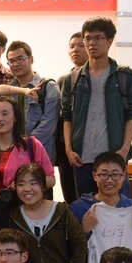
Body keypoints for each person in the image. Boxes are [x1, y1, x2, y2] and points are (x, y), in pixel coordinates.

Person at [62, 17, 132, 198]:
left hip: (114, 159)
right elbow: (67, 115)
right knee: (86, 211)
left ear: (109, 41)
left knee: (119, 209)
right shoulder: (72, 79)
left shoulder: (125, 76)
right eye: (88, 38)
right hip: (82, 160)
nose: (92, 43)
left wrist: (124, 150)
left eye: (98, 38)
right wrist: (69, 150)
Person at [10, 163, 88, 263]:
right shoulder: (14, 217)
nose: (27, 189)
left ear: (43, 186)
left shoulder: (61, 211)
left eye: (33, 183)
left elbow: (80, 246)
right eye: (21, 184)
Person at [0, 96, 55, 196]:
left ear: (15, 117)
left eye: (5, 114)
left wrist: (24, 185)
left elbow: (51, 179)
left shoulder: (31, 145)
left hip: (26, 202)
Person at [6, 40, 60, 167]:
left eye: (20, 59)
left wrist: (26, 146)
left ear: (31, 59)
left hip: (40, 156)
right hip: (13, 156)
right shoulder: (9, 90)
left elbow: (48, 124)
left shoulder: (49, 87)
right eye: (11, 61)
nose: (16, 64)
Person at [55, 33, 88, 204]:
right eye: (72, 46)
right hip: (66, 150)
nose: (75, 49)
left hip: (89, 147)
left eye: (80, 45)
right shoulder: (63, 81)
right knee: (70, 198)